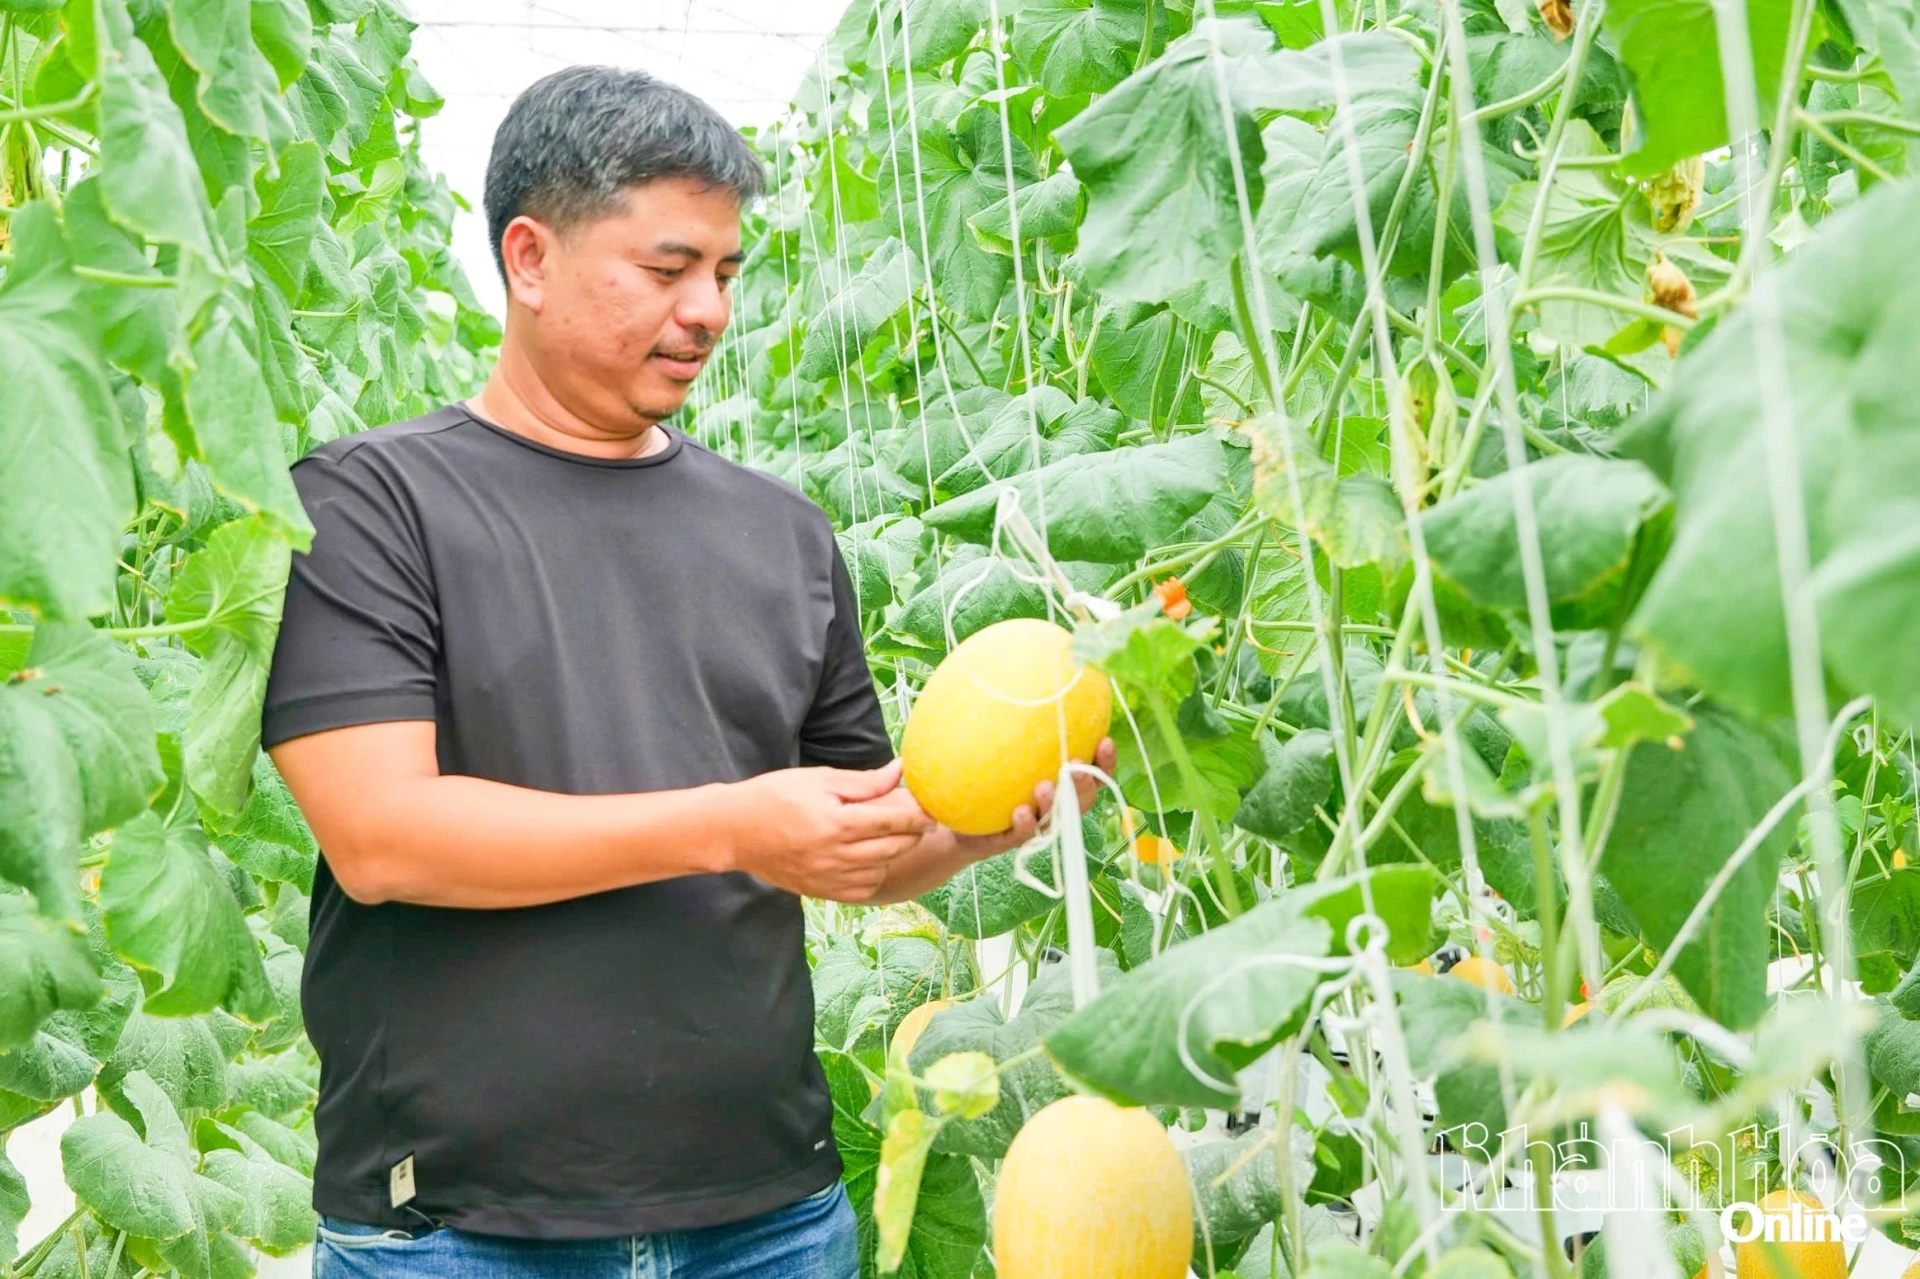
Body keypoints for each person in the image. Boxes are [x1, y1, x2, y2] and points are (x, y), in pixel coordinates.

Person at [263, 65, 1114, 1279]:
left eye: (724, 272)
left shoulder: (782, 534)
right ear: (529, 257)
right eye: (668, 270)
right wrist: (728, 826)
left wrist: (983, 829)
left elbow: (851, 844)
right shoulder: (372, 506)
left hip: (769, 1218)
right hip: (458, 1231)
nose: (709, 308)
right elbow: (383, 837)